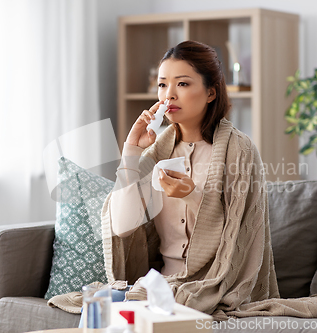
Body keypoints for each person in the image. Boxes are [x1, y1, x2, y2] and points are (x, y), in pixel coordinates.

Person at [100, 40, 280, 320]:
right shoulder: (157, 152)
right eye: (162, 85)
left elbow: (237, 240)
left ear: (210, 92)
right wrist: (131, 152)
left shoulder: (240, 151)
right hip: (161, 285)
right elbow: (122, 228)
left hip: (216, 284)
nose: (169, 95)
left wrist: (192, 195)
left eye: (182, 84)